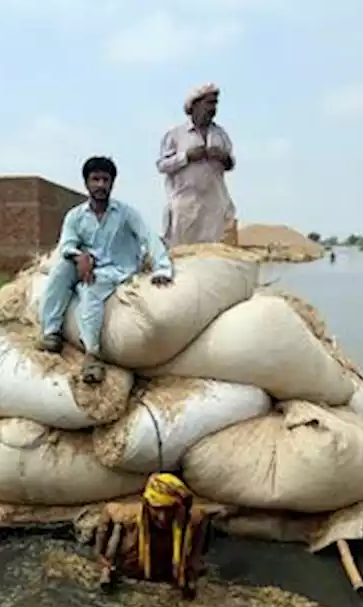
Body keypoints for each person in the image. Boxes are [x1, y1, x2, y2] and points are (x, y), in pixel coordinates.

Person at [37, 156, 173, 384]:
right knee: (60, 271)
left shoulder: (126, 214)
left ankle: (92, 355)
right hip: (86, 265)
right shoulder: (75, 216)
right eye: (95, 179)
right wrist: (80, 257)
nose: (100, 184)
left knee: (90, 289)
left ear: (112, 183)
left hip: (118, 270)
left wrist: (162, 269)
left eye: (105, 180)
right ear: (86, 183)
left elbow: (148, 237)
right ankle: (51, 333)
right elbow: (67, 244)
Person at [99, 473, 211, 600]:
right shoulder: (129, 516)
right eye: (157, 509)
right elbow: (108, 509)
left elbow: (202, 521)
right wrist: (100, 554)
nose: (162, 517)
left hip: (169, 578)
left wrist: (195, 560)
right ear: (147, 504)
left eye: (169, 509)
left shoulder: (191, 519)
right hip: (133, 577)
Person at [157, 83, 236, 247]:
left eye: (215, 103)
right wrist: (187, 157)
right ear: (195, 105)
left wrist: (222, 157)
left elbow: (230, 164)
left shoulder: (220, 134)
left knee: (215, 256)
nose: (213, 108)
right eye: (209, 103)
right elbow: (162, 165)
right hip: (186, 207)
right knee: (183, 254)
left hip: (215, 206)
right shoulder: (175, 135)